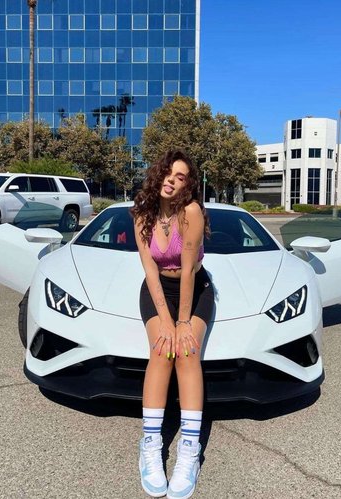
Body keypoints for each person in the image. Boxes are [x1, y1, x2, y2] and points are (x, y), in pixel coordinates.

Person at [131, 150, 214, 499]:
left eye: (181, 177)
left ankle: (190, 450)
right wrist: (166, 322)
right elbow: (150, 270)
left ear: (187, 185)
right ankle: (150, 444)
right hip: (157, 290)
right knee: (162, 350)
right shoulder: (142, 214)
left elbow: (189, 270)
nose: (172, 180)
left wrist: (182, 322)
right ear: (158, 174)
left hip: (194, 288)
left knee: (187, 352)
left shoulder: (190, 212)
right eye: (168, 172)